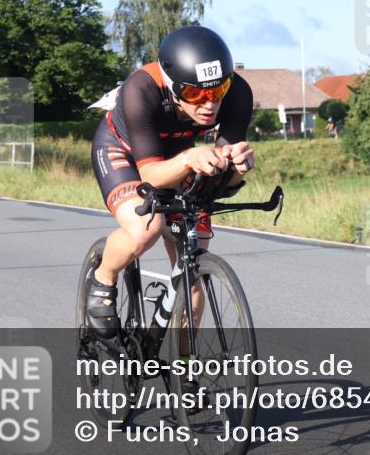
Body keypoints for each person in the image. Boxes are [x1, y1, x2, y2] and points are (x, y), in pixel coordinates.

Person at [88, 26, 255, 337]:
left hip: (178, 156)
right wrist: (189, 158)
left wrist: (238, 168)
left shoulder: (238, 93)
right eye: (195, 94)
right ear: (172, 85)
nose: (209, 104)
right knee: (147, 228)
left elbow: (222, 182)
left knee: (194, 264)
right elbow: (151, 175)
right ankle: (104, 276)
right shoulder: (142, 89)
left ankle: (185, 364)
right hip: (122, 152)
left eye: (217, 91)